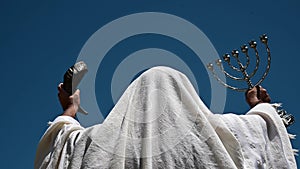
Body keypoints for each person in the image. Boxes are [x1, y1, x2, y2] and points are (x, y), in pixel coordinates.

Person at [35, 66, 296, 169]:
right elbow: (260, 132)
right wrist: (260, 107)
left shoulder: (106, 143)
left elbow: (64, 146)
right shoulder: (217, 134)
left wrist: (69, 109)